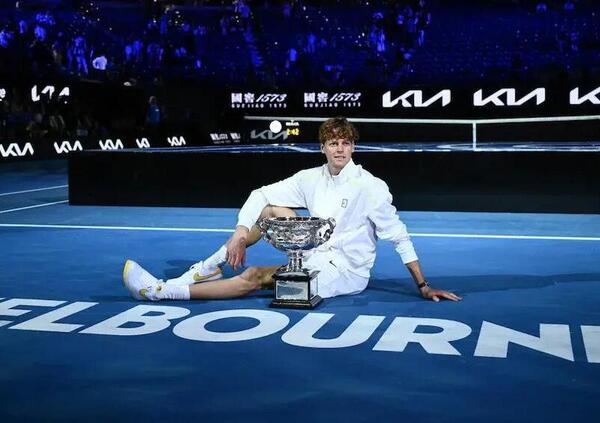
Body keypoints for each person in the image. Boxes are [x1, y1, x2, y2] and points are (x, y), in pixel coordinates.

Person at [123, 117, 461, 303]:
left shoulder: (370, 186)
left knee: (254, 276)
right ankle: (208, 267)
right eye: (333, 143)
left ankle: (163, 292)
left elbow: (398, 237)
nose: (340, 149)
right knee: (270, 209)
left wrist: (423, 286)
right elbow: (259, 194)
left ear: (353, 146)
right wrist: (241, 233)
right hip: (313, 252)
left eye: (345, 143)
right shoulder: (310, 177)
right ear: (323, 147)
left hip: (345, 272)